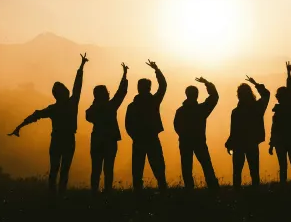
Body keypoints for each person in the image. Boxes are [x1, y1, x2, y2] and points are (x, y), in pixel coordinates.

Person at [8, 53, 88, 196]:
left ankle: (52, 196)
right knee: (63, 170)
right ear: (64, 92)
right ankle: (60, 196)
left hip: (57, 139)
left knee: (54, 170)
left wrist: (19, 127)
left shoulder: (54, 109)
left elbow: (35, 115)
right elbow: (78, 86)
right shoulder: (72, 103)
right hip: (68, 139)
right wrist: (81, 67)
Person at [86, 62, 129, 194]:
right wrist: (125, 75)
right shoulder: (111, 106)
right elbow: (121, 92)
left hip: (97, 140)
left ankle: (94, 191)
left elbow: (88, 116)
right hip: (110, 140)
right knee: (108, 168)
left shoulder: (93, 109)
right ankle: (108, 191)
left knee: (96, 168)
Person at [125, 60, 168, 191]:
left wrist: (134, 136)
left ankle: (138, 191)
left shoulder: (133, 105)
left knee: (138, 168)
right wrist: (157, 69)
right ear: (149, 88)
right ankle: (162, 189)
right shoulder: (153, 101)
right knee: (157, 166)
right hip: (150, 138)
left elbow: (128, 125)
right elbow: (163, 86)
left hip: (139, 139)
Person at [173, 77, 219, 190]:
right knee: (206, 165)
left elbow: (176, 126)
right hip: (199, 141)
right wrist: (207, 84)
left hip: (185, 142)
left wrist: (183, 135)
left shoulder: (181, 111)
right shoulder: (201, 109)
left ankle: (189, 188)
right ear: (197, 95)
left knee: (186, 166)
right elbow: (214, 97)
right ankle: (213, 188)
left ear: (186, 94)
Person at [225, 75, 270, 188]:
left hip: (238, 144)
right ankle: (255, 193)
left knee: (237, 172)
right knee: (254, 170)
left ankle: (237, 193)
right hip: (252, 143)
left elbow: (233, 131)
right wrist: (256, 84)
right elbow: (266, 95)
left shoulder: (236, 112)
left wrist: (230, 144)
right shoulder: (257, 107)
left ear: (238, 96)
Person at [268, 61, 291, 186]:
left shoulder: (283, 109)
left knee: (283, 166)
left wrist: (272, 144)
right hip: (290, 139)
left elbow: (274, 129)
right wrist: (288, 74)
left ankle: (284, 187)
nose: (276, 97)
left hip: (280, 141)